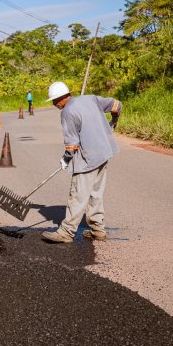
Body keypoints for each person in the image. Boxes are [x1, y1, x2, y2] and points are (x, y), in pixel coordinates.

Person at [41, 81, 122, 244]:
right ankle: (98, 229)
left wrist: (66, 158)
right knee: (96, 193)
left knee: (77, 194)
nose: (55, 104)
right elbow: (116, 105)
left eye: (56, 101)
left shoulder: (67, 112)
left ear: (63, 97)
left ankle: (66, 231)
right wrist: (114, 121)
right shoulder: (90, 99)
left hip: (88, 158)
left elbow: (72, 144)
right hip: (104, 152)